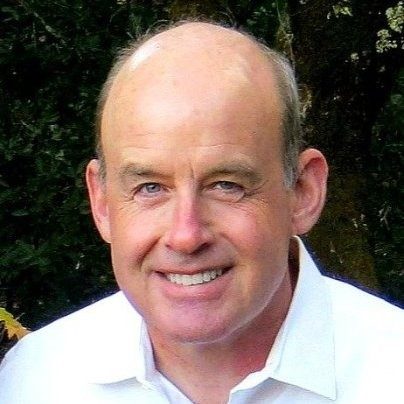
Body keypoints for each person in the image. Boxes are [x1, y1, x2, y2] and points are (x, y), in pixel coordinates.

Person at [0, 21, 403, 404]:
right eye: (150, 188)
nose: (186, 235)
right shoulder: (34, 381)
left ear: (303, 192)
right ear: (102, 203)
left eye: (226, 185)